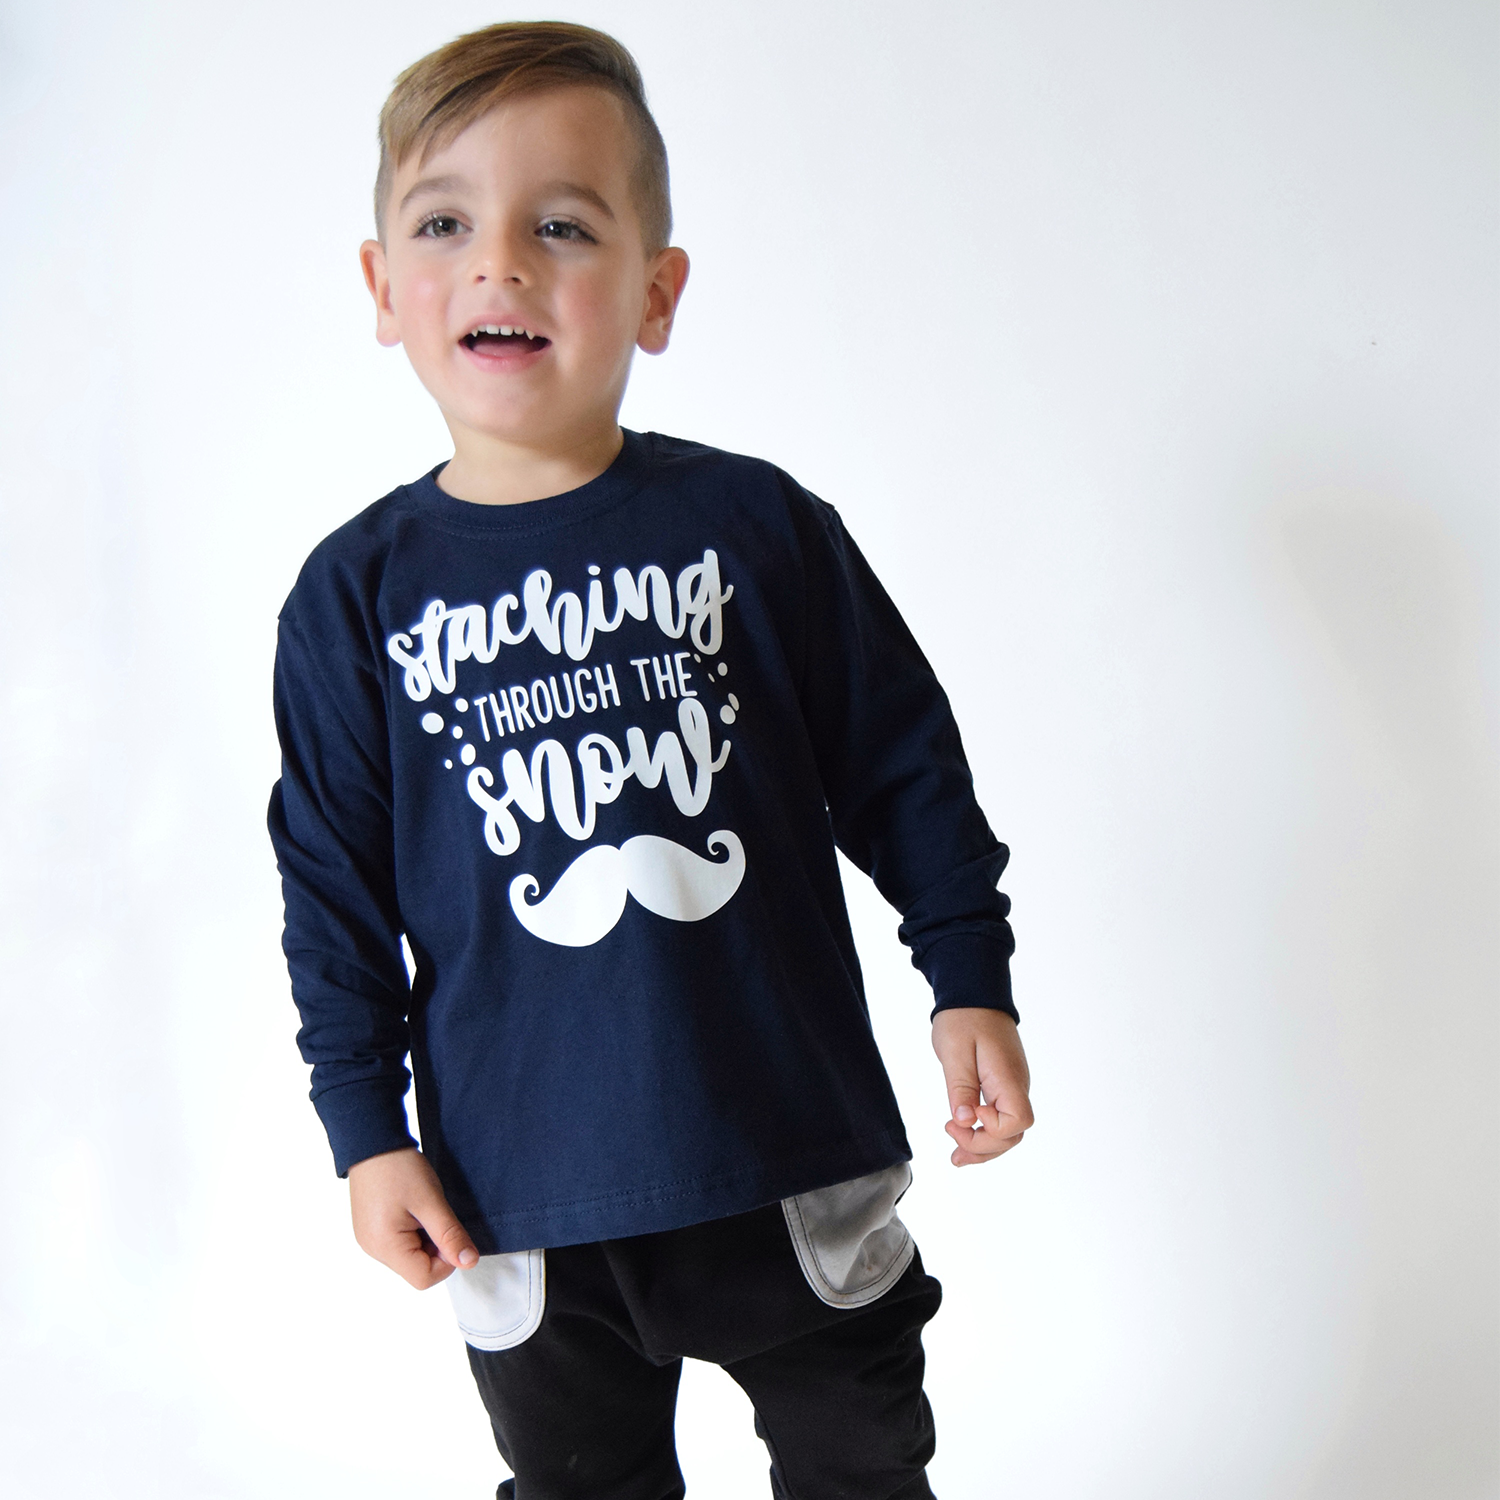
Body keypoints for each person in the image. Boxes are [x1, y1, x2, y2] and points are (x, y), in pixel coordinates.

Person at [267, 20, 1033, 1499]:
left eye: (561, 224)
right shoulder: (353, 597)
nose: (500, 261)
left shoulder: (758, 530)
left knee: (864, 1466)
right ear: (383, 290)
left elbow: (904, 767)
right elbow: (332, 891)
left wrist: (968, 972)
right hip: (521, 1197)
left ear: (656, 293)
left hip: (787, 1147)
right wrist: (366, 1132)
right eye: (445, 223)